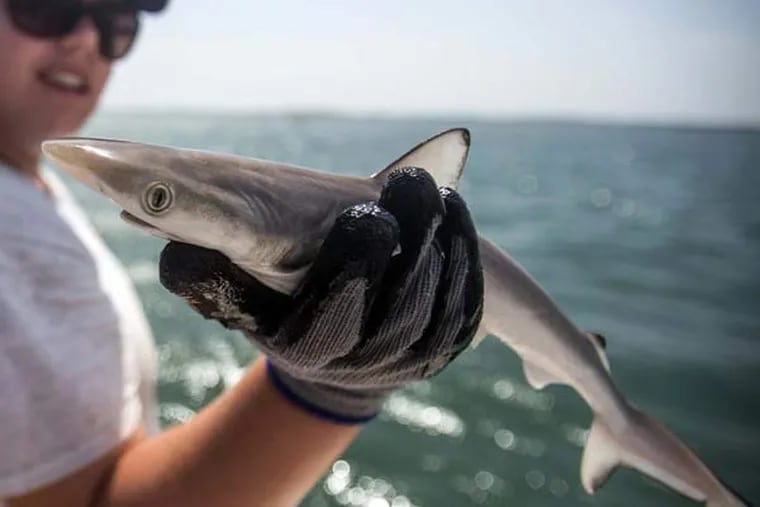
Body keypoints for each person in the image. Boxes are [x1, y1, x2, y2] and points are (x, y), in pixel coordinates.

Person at [0, 1, 484, 507]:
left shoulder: (27, 183)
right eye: (47, 7)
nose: (85, 41)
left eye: (116, 26)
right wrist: (330, 390)